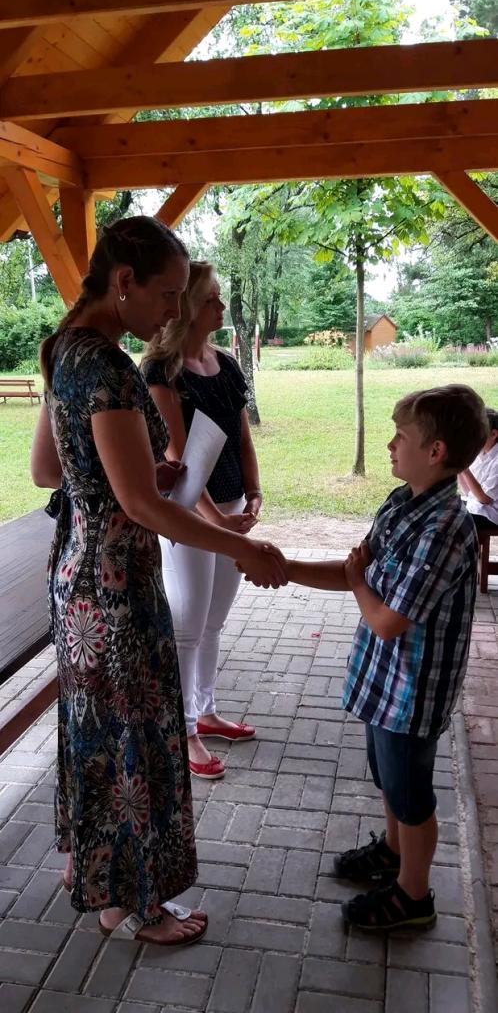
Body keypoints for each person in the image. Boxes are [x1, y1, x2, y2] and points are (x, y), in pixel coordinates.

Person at [30, 217, 287, 948]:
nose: (174, 310)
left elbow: (48, 472)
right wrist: (243, 546)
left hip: (77, 576)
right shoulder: (110, 366)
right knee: (136, 738)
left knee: (97, 732)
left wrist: (136, 472)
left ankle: (92, 870)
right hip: (116, 585)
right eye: (168, 293)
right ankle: (133, 905)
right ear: (124, 283)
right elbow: (141, 506)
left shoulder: (63, 349)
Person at [278, 385, 488, 931]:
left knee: (412, 795)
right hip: (384, 679)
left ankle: (414, 896)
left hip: (414, 690)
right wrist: (286, 568)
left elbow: (388, 620)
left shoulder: (446, 528)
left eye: (401, 436)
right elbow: (359, 571)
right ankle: (394, 855)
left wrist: (356, 582)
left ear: (435, 451)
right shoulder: (400, 504)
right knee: (389, 779)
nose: (390, 445)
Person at [141, 262, 261, 781]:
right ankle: (183, 729)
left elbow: (241, 439)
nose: (221, 305)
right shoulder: (161, 372)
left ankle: (206, 711)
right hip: (188, 513)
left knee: (213, 621)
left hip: (231, 510)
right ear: (189, 307)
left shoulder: (226, 365)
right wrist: (216, 520)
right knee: (187, 625)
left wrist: (253, 494)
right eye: (212, 298)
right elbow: (178, 453)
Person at [459, 406, 498, 532]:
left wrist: (465, 469)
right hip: (476, 507)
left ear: (493, 434)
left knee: (454, 520)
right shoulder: (479, 454)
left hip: (491, 515)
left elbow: (485, 499)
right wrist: (458, 467)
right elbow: (468, 492)